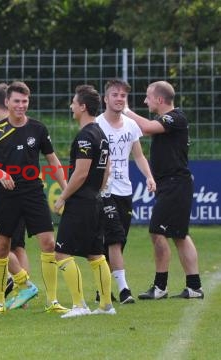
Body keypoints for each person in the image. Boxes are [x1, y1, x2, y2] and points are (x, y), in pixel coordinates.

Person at [0, 81, 69, 315]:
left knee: (49, 243)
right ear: (6, 102)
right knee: (1, 246)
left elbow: (53, 161)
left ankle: (52, 301)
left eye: (25, 101)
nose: (21, 105)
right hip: (6, 196)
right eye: (17, 101)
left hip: (33, 193)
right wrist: (0, 174)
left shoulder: (38, 129)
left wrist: (66, 191)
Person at [123, 81, 204, 300]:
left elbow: (147, 128)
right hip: (172, 185)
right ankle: (194, 288)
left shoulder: (175, 117)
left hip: (175, 184)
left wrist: (126, 110)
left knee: (157, 231)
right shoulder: (168, 120)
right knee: (179, 235)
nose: (145, 101)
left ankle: (160, 287)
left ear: (159, 99)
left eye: (148, 97)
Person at [53, 84, 115, 318]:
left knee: (61, 253)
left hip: (81, 203)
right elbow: (106, 170)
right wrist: (95, 192)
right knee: (95, 254)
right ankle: (106, 305)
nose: (71, 106)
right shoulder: (101, 133)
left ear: (82, 106)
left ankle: (79, 305)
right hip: (95, 200)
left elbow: (80, 173)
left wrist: (62, 197)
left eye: (73, 102)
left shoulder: (85, 136)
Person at [95, 79, 156, 304]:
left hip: (125, 191)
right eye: (115, 95)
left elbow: (138, 155)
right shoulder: (97, 125)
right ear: (105, 99)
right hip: (104, 191)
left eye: (123, 96)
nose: (119, 99)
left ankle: (102, 286)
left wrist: (149, 176)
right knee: (114, 238)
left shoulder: (131, 125)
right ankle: (124, 290)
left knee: (118, 241)